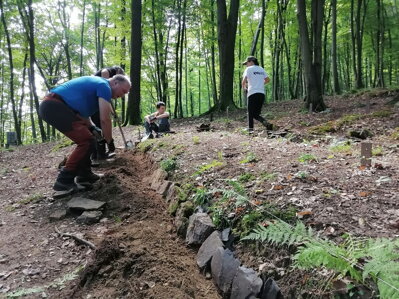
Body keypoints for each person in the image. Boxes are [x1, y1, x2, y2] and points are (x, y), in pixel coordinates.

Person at [39, 75, 131, 192]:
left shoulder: (98, 85)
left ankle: (84, 174)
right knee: (86, 141)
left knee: (89, 138)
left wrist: (92, 127)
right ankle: (64, 180)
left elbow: (83, 113)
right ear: (115, 83)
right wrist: (110, 142)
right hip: (54, 105)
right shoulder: (104, 86)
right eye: (123, 91)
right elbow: (105, 119)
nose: (122, 96)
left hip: (57, 106)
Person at [92, 66, 125, 161]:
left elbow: (106, 98)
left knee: (98, 128)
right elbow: (105, 91)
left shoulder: (110, 78)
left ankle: (99, 154)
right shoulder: (106, 71)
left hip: (97, 101)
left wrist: (113, 113)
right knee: (98, 127)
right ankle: (99, 155)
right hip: (95, 102)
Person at [241, 56, 272, 132]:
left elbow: (243, 82)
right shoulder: (261, 69)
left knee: (250, 113)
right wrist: (260, 84)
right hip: (261, 94)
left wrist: (244, 88)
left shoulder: (248, 69)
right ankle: (266, 123)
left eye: (247, 63)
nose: (246, 65)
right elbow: (268, 80)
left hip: (252, 93)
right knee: (256, 114)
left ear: (251, 61)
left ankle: (250, 130)